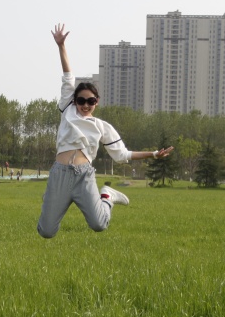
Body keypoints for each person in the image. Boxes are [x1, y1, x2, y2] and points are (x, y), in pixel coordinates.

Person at [37, 24, 174, 239]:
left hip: (83, 177)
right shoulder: (67, 108)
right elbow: (67, 76)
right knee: (46, 231)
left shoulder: (102, 126)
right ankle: (56, 203)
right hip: (60, 175)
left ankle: (107, 196)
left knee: (99, 224)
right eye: (81, 100)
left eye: (90, 101)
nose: (85, 104)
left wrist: (154, 154)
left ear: (96, 102)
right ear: (74, 100)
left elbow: (122, 155)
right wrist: (61, 46)